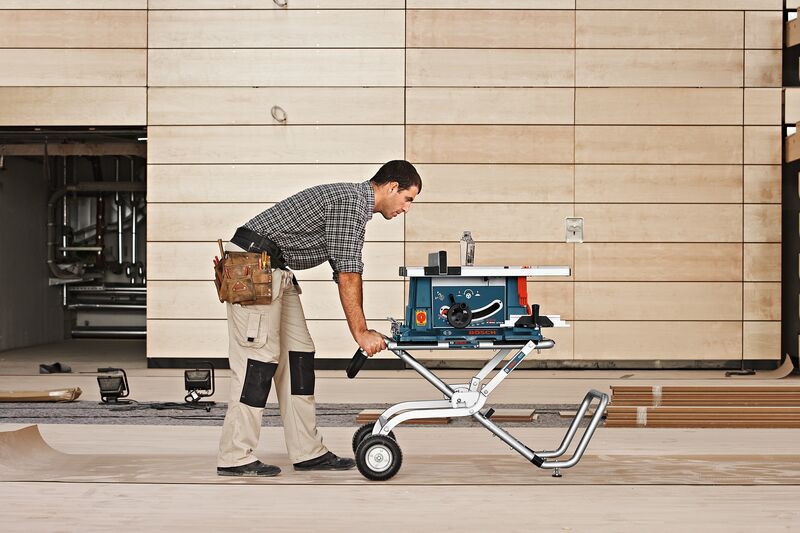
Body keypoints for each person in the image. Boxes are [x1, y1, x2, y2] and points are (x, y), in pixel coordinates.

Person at [216, 160, 422, 477]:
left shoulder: (355, 204)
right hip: (251, 265)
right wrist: (361, 332)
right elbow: (348, 272)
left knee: (299, 356)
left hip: (276, 268)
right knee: (257, 360)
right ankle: (234, 455)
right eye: (408, 198)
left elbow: (345, 268)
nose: (406, 208)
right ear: (392, 187)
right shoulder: (352, 202)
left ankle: (307, 451)